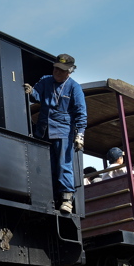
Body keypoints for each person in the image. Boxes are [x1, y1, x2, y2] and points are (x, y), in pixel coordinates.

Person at [25, 53, 87, 213]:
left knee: (63, 165)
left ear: (70, 71)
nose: (58, 72)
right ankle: (50, 197)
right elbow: (36, 96)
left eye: (62, 70)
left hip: (63, 131)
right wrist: (30, 91)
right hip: (43, 130)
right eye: (56, 69)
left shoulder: (75, 87)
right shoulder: (45, 80)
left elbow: (81, 112)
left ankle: (67, 199)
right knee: (46, 166)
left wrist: (80, 134)